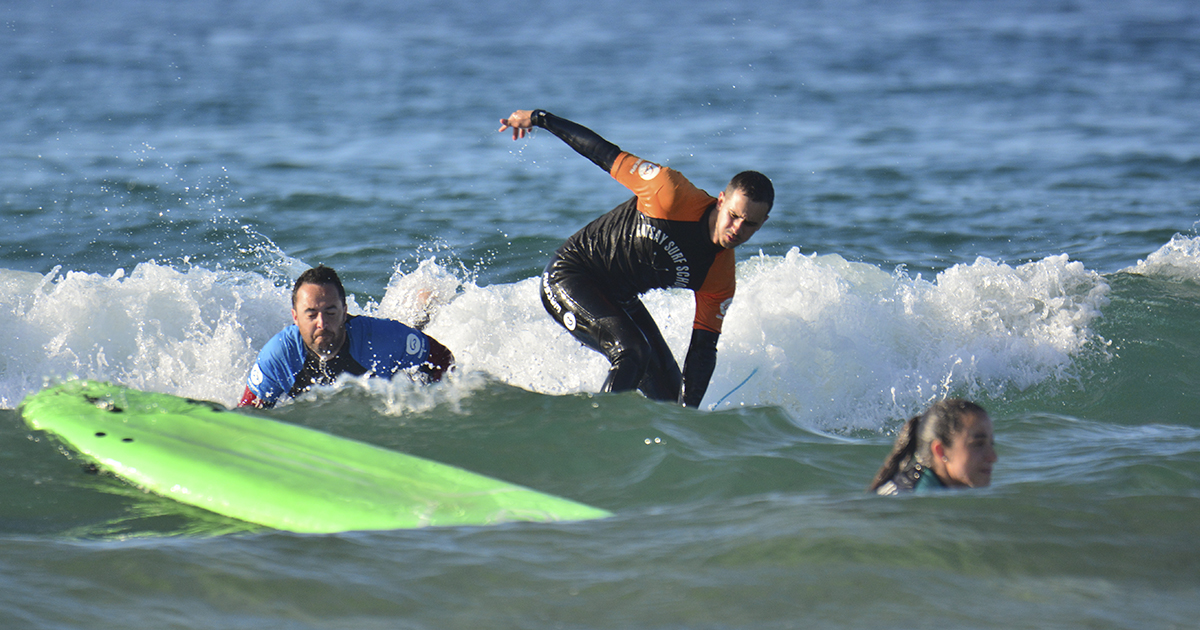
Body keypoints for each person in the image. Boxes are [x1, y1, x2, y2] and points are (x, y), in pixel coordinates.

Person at [499, 109, 774, 408]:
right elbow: (604, 153)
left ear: (763, 223)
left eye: (750, 224)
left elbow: (703, 350)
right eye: (733, 216)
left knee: (672, 400)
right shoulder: (669, 192)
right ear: (721, 201)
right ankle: (595, 433)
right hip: (570, 275)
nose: (737, 230)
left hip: (620, 299)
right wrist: (541, 118)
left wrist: (688, 416)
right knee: (632, 351)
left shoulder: (719, 278)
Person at [238, 265, 454, 408]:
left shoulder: (382, 337)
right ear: (295, 317)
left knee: (412, 331)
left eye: (331, 312)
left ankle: (425, 304)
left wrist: (432, 404)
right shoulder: (278, 356)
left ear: (344, 312)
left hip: (391, 364)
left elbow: (443, 357)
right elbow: (247, 413)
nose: (322, 323)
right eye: (311, 314)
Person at [868, 399, 998, 495]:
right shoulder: (918, 497)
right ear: (941, 451)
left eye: (991, 444)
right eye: (978, 444)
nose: (992, 457)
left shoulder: (938, 488)